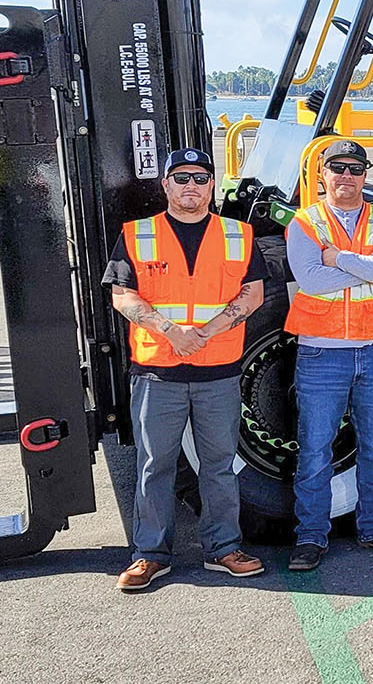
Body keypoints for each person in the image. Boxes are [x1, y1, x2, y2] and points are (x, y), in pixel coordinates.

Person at [103, 148, 267, 592]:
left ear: (212, 186)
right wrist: (172, 331)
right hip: (159, 372)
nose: (190, 186)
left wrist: (208, 331)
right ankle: (149, 555)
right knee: (155, 464)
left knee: (218, 464)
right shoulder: (138, 234)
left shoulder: (238, 234)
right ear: (166, 185)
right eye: (181, 178)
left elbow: (252, 294)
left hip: (219, 371)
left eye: (200, 178)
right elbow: (123, 295)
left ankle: (223, 549)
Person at [284, 139, 373, 571]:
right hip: (324, 356)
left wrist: (338, 259)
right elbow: (310, 280)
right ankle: (310, 537)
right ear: (321, 174)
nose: (346, 176)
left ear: (366, 174)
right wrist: (366, 268)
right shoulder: (305, 223)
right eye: (337, 168)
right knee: (315, 451)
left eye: (355, 168)